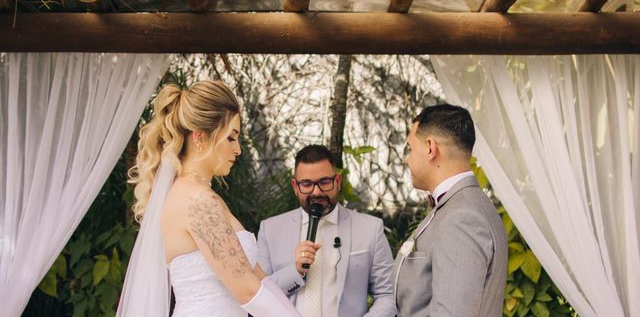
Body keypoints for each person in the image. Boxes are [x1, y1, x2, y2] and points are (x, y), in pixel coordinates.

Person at [117, 80, 301, 317]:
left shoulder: (201, 195)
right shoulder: (196, 200)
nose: (238, 150)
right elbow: (245, 288)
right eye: (231, 138)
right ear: (200, 138)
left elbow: (257, 278)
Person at [393, 104, 508, 316]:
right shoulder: (459, 205)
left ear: (430, 148)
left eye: (410, 148)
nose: (407, 159)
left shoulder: (463, 217)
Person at [257, 144, 396, 317]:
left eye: (324, 182)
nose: (316, 192)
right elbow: (259, 294)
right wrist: (295, 270)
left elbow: (388, 295)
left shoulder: (370, 229)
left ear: (337, 181)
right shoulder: (270, 230)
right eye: (307, 184)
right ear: (295, 186)